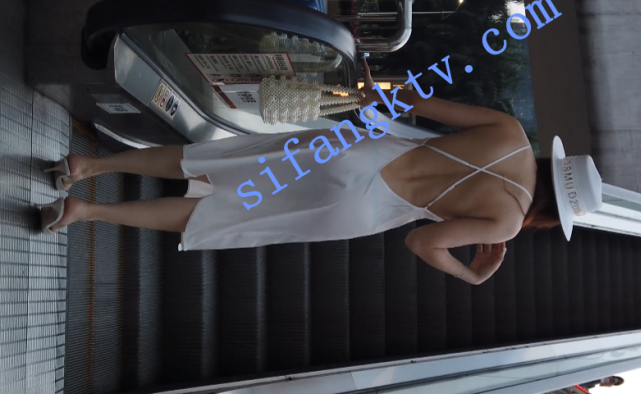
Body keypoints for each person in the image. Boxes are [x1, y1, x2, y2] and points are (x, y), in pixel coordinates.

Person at [38, 59, 602, 285]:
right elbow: (420, 241)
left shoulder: (509, 131)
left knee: (212, 162)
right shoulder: (505, 224)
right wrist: (471, 275)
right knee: (216, 213)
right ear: (554, 214)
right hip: (355, 209)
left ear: (556, 163)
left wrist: (375, 91)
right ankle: (88, 211)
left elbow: (417, 102)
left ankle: (89, 165)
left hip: (358, 151)